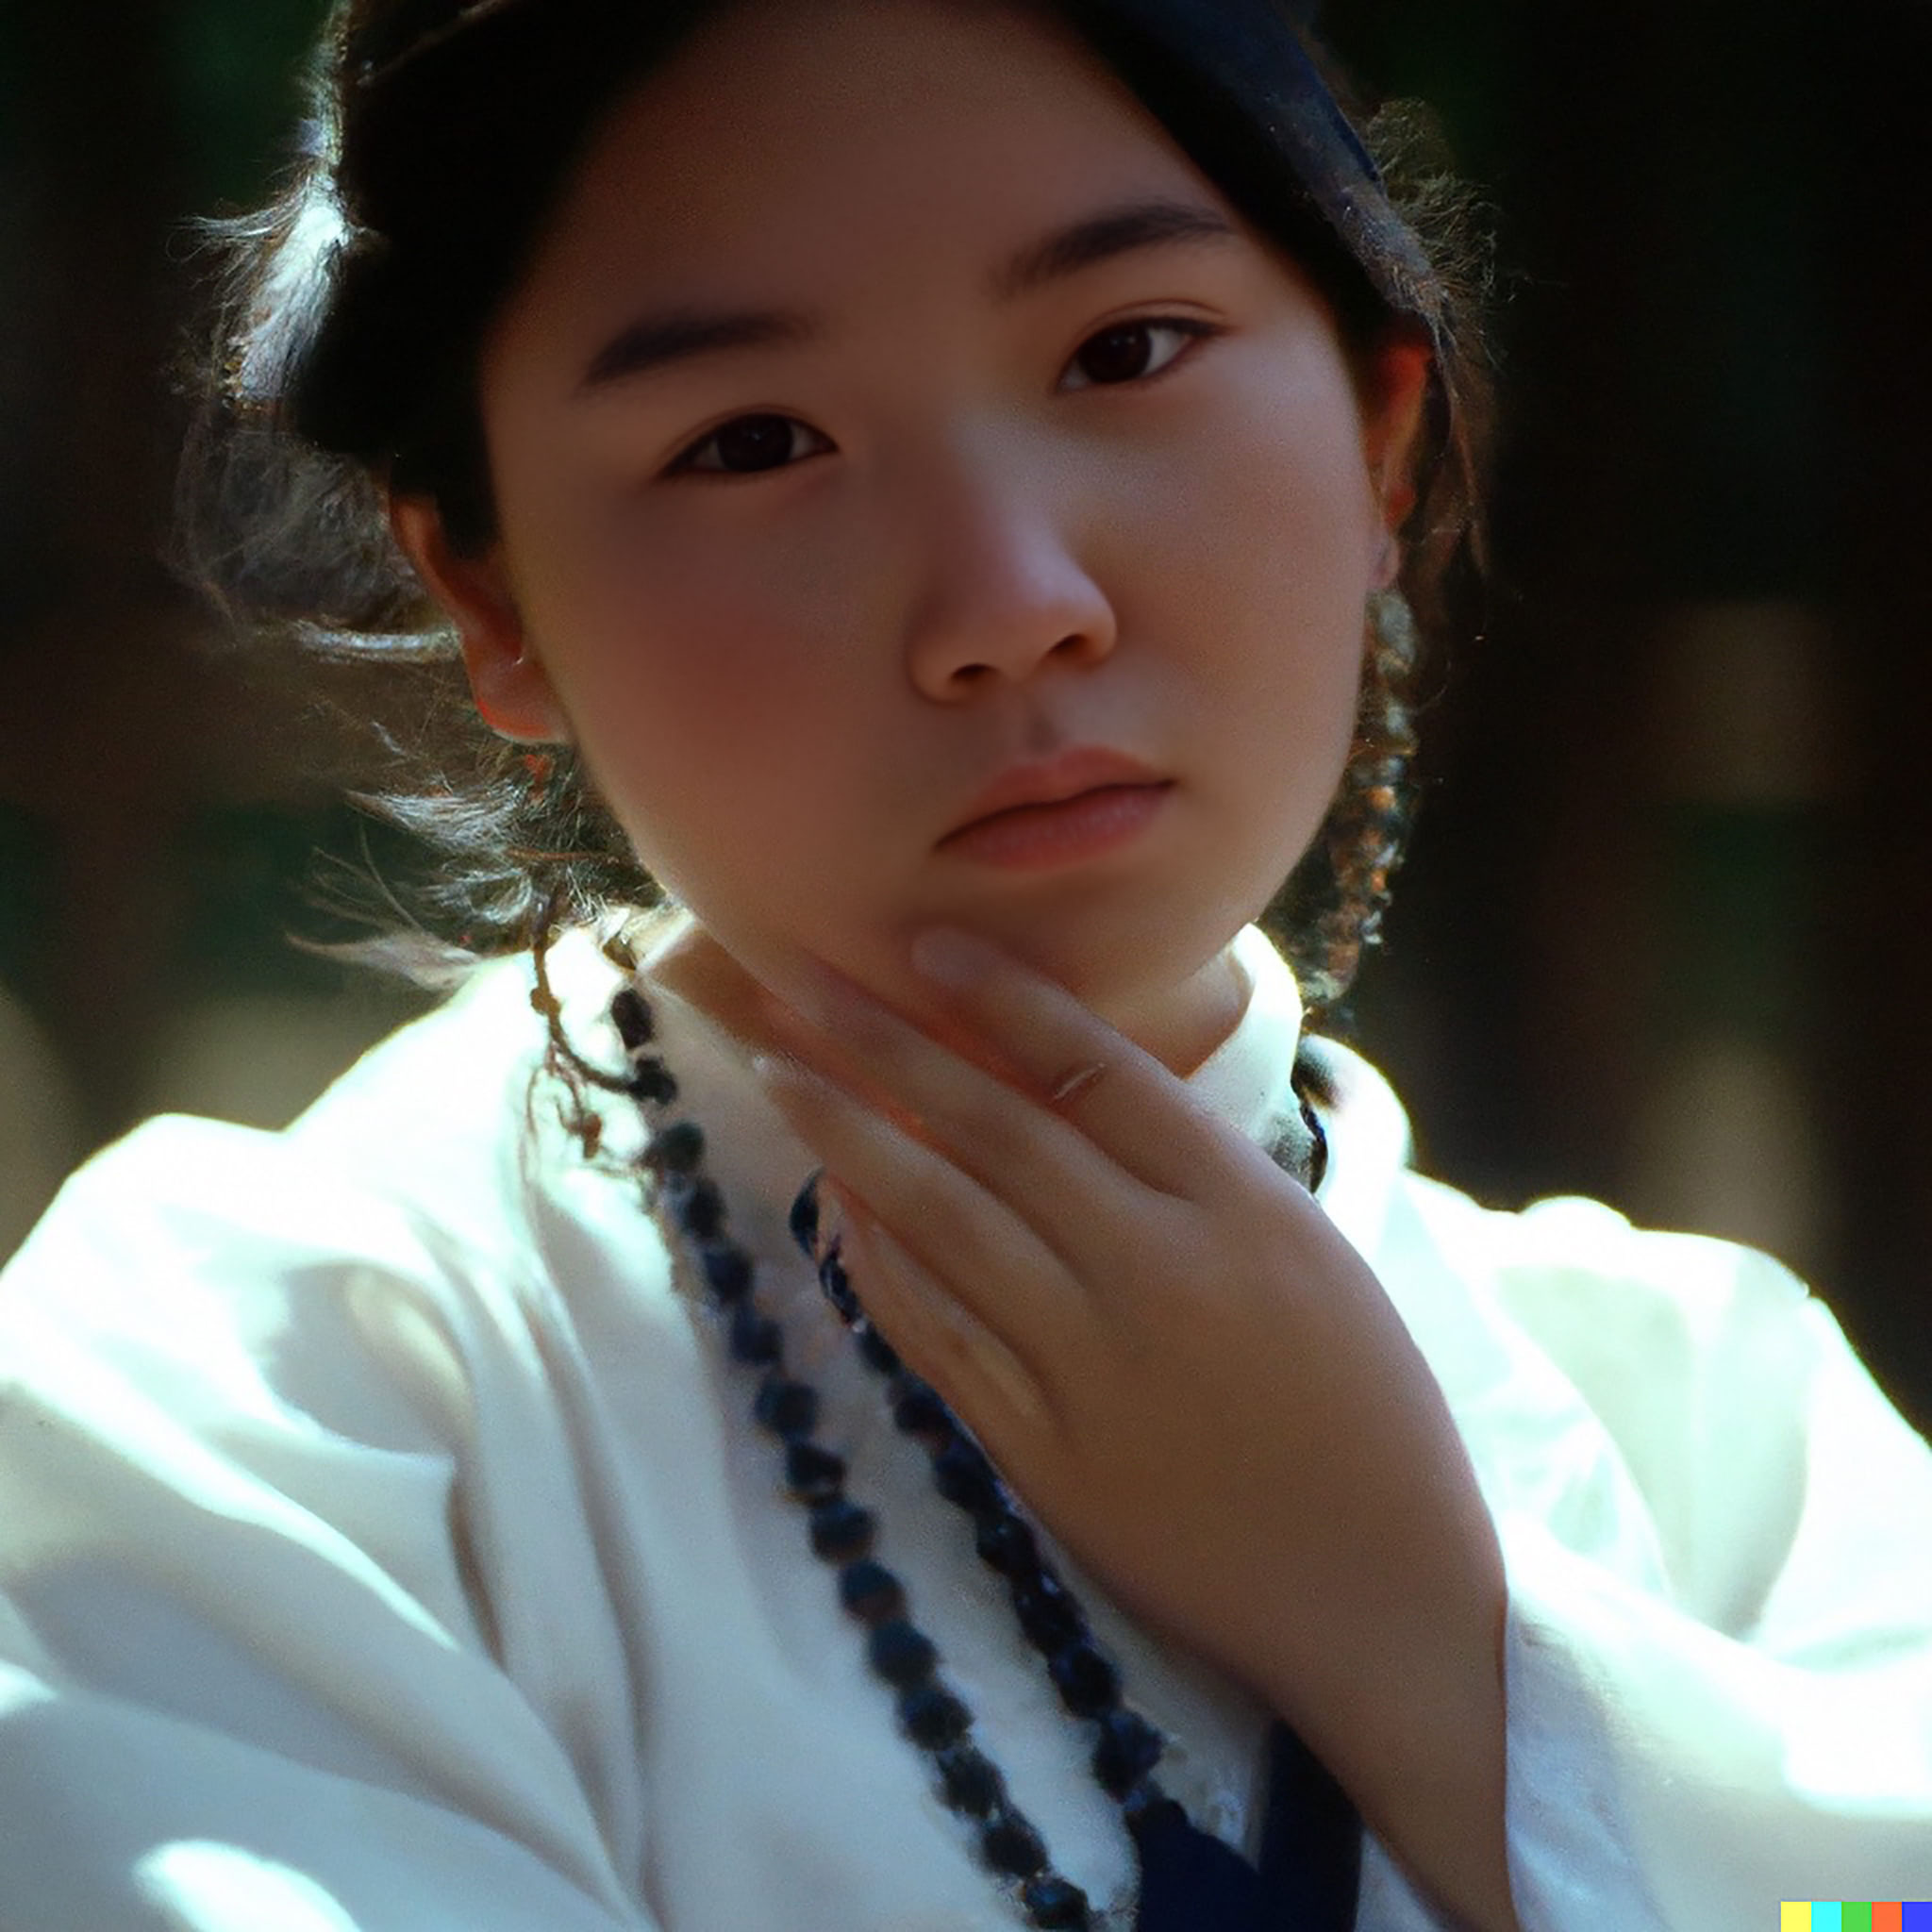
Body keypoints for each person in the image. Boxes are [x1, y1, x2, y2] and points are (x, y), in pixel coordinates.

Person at [1, 1, 1926, 1927]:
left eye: (1126, 349)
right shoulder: (245, 1417)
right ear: (491, 595)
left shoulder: (1719, 1436)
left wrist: (1435, 1648)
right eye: (752, 442)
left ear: (1380, 436)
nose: (1011, 603)